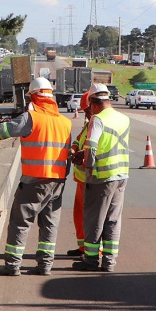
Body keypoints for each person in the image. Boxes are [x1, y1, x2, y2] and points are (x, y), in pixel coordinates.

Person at [0, 77, 72, 276]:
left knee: (20, 222)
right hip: (57, 182)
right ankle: (45, 266)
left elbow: (3, 130)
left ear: (34, 96)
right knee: (49, 224)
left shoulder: (31, 118)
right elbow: (68, 156)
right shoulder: (65, 123)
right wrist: (62, 178)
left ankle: (13, 265)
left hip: (33, 181)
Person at [73, 83, 130, 273]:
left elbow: (92, 147)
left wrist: (85, 164)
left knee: (93, 220)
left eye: (89, 107)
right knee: (113, 219)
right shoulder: (124, 118)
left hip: (100, 177)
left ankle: (90, 260)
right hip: (121, 175)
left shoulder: (97, 119)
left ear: (94, 104)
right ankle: (109, 262)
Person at [66, 91, 92, 257]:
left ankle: (94, 251)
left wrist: (82, 153)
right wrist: (74, 149)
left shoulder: (99, 124)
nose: (86, 113)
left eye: (87, 110)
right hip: (81, 179)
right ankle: (83, 247)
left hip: (92, 180)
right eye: (84, 111)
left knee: (92, 218)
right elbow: (78, 140)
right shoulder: (89, 123)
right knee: (79, 216)